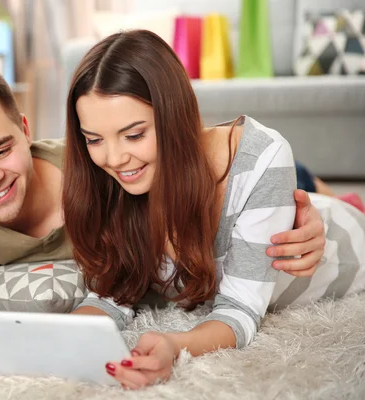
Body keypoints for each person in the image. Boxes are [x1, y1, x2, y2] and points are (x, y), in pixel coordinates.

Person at [0, 62, 326, 375]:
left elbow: (195, 175)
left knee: (307, 186)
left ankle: (325, 191)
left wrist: (304, 216)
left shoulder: (103, 168)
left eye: (2, 149)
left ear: (26, 131)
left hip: (256, 178)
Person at [62, 29, 365, 389]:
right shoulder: (107, 180)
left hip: (348, 241)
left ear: (173, 114)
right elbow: (111, 293)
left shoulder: (260, 155)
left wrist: (175, 345)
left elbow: (239, 311)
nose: (113, 158)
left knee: (325, 204)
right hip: (271, 206)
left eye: (134, 135)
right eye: (94, 139)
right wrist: (58, 339)